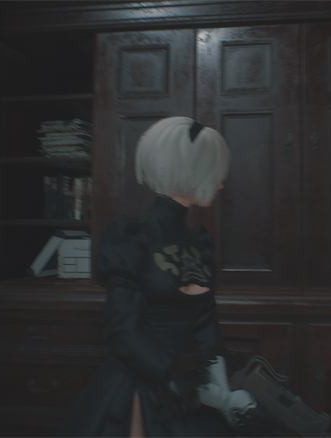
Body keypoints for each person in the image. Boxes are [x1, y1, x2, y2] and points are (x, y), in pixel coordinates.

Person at [54, 117, 279, 438]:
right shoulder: (133, 237)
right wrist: (190, 383)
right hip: (141, 385)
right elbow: (122, 332)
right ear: (190, 170)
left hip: (193, 389)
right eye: (215, 171)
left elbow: (205, 322)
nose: (220, 183)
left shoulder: (198, 242)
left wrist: (223, 393)